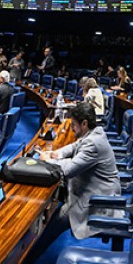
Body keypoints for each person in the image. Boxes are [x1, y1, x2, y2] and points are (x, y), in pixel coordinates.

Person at [39, 102, 121, 239]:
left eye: (73, 125)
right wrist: (56, 154)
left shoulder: (93, 143)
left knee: (56, 221)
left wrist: (48, 160)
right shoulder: (94, 133)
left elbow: (69, 170)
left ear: (84, 124)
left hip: (97, 198)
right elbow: (74, 146)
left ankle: (34, 252)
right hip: (91, 188)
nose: (72, 129)